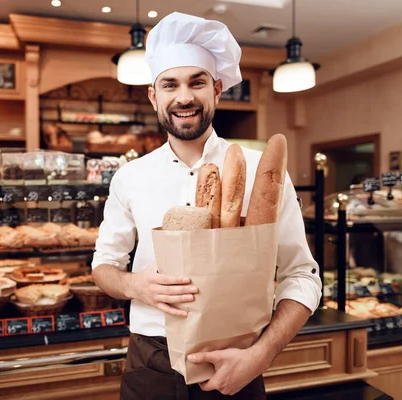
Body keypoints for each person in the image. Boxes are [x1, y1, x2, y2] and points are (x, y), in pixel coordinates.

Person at [92, 12, 322, 400]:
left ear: (217, 89)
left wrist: (259, 357)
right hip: (152, 363)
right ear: (154, 95)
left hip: (239, 359)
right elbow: (103, 266)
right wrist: (135, 285)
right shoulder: (130, 177)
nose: (184, 97)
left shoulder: (262, 173)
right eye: (170, 84)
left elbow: (303, 276)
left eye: (196, 82)